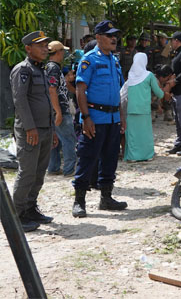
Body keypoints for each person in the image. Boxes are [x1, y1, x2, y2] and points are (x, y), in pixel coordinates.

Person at [72, 20, 128, 218]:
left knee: (111, 158)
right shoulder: (89, 60)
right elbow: (80, 90)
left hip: (113, 118)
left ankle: (106, 198)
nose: (114, 39)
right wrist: (85, 117)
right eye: (109, 35)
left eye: (115, 35)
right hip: (95, 118)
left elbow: (117, 91)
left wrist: (121, 116)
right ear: (98, 37)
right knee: (87, 158)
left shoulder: (113, 60)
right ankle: (79, 200)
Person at [10, 30, 57, 232]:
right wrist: (30, 127)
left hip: (45, 129)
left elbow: (45, 101)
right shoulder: (23, 70)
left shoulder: (41, 70)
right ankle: (16, 216)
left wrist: (53, 130)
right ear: (28, 49)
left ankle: (30, 208)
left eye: (46, 45)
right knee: (27, 173)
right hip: (30, 130)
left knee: (39, 173)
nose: (45, 48)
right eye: (40, 45)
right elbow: (20, 101)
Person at [121, 53, 164, 161]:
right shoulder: (149, 75)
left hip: (131, 110)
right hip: (144, 110)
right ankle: (147, 155)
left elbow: (122, 94)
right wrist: (165, 92)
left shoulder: (130, 76)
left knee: (132, 135)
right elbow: (159, 93)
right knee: (145, 135)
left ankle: (132, 156)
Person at [46, 41, 77, 177]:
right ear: (58, 52)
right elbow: (52, 89)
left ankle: (53, 167)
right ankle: (69, 169)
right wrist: (58, 111)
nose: (64, 54)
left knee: (56, 140)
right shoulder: (53, 68)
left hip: (54, 109)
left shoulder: (50, 67)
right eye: (63, 51)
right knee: (69, 139)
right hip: (60, 110)